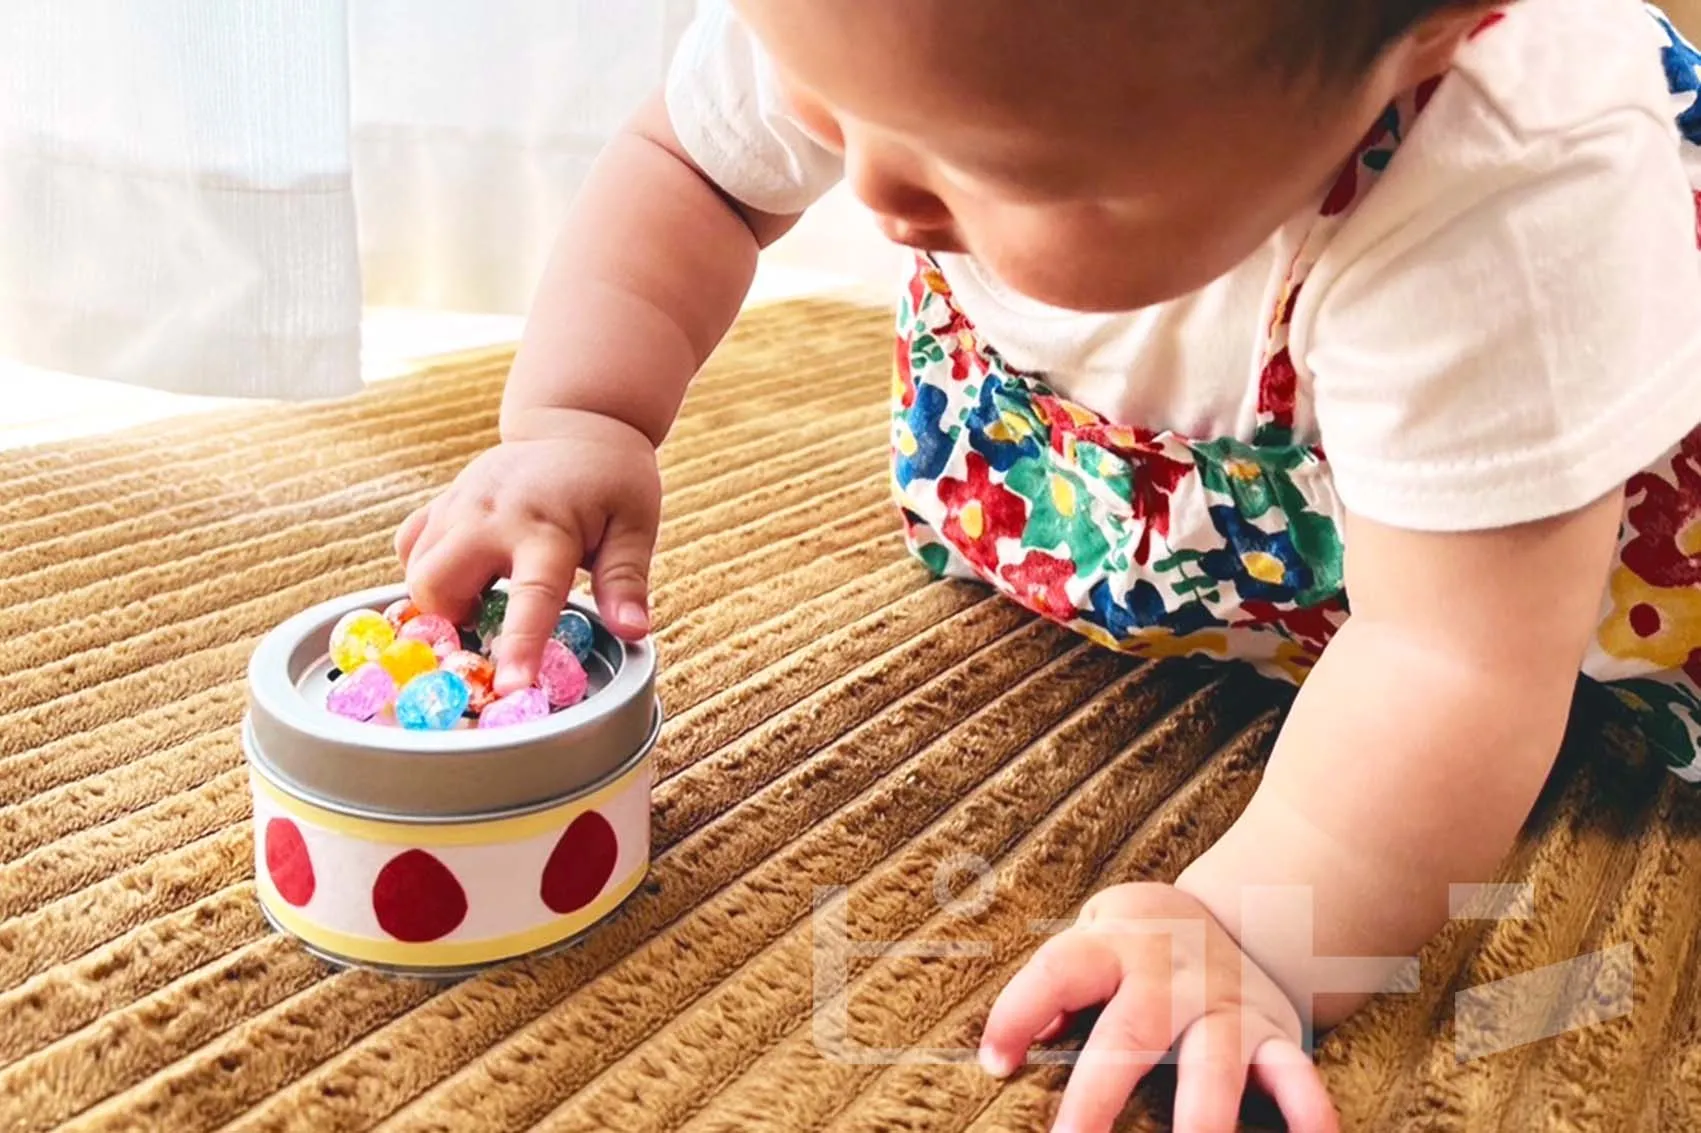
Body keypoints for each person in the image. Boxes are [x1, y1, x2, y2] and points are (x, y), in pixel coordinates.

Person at [394, 1, 1701, 1128]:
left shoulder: (1517, 187)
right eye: (829, 102)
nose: (876, 197)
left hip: (1520, 514)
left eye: (1000, 170)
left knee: (1485, 613)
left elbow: (1454, 655)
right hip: (1158, 443)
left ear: (1426, 40)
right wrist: (586, 420)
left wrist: (1258, 930)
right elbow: (696, 167)